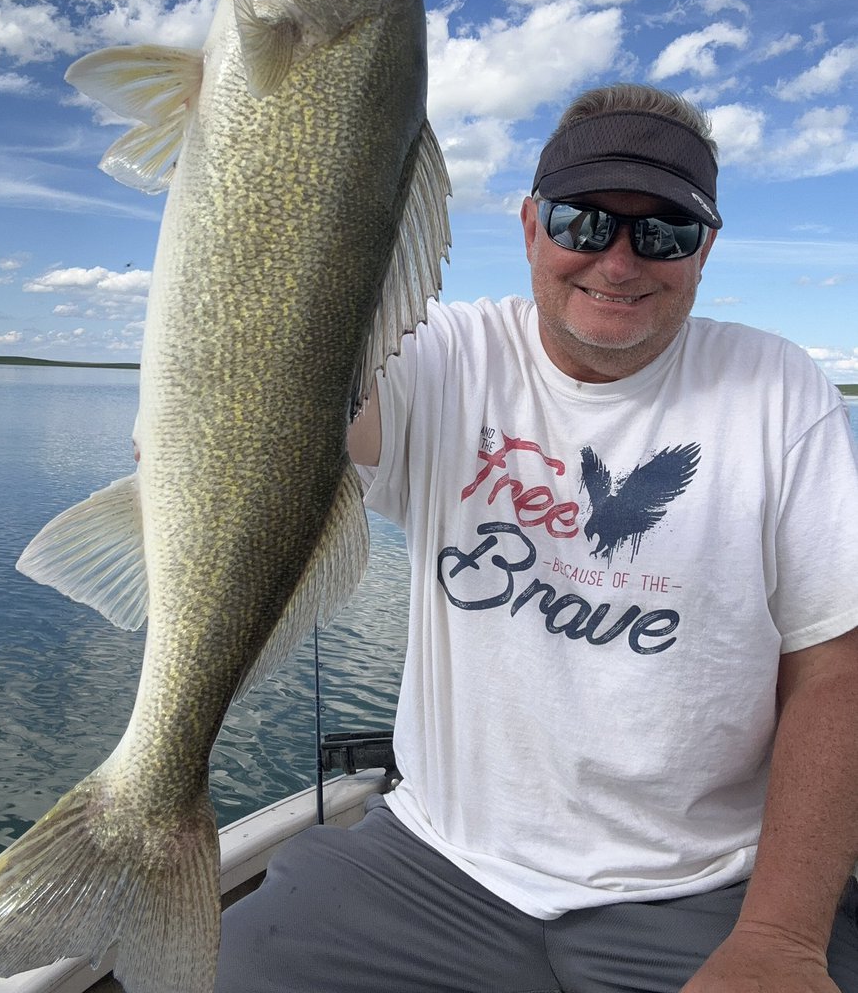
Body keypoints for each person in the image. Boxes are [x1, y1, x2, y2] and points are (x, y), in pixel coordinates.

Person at [215, 83, 858, 993]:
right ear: (529, 226)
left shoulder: (778, 389)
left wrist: (782, 938)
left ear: (705, 250)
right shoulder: (436, 354)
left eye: (664, 231)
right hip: (437, 860)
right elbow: (279, 403)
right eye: (583, 222)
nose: (620, 260)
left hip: (698, 889)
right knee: (247, 960)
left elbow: (836, 668)